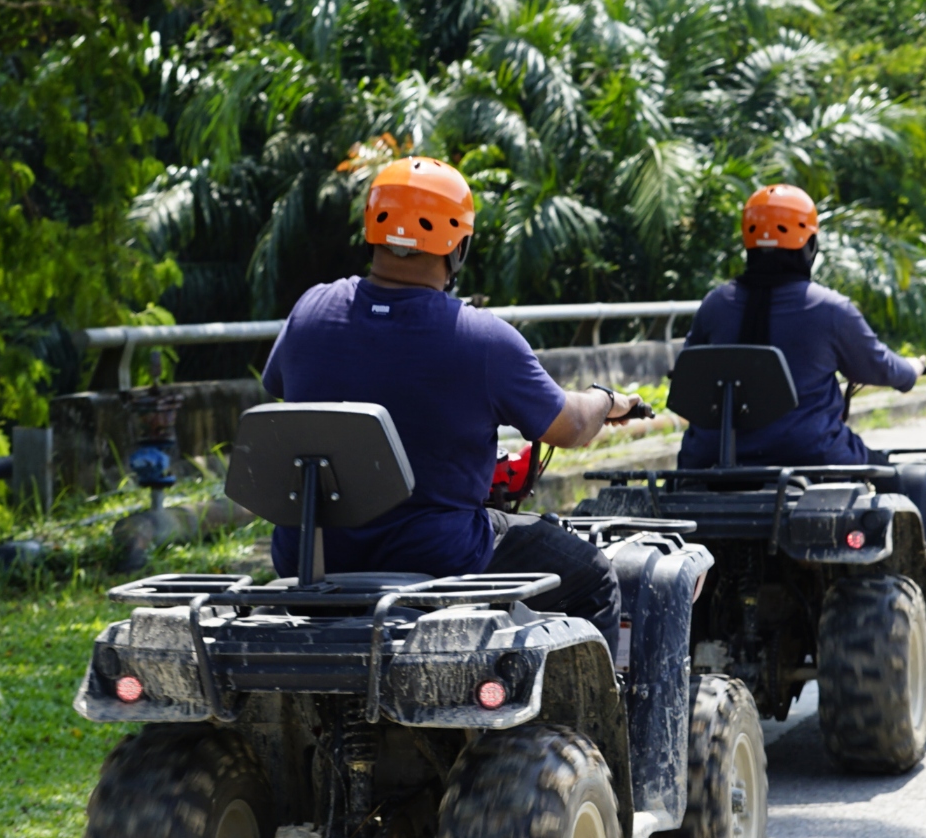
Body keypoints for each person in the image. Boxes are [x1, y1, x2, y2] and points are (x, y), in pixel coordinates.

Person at [258, 156, 641, 640]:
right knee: (592, 575)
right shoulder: (481, 339)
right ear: (458, 247)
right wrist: (606, 399)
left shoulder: (310, 310)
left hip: (310, 558)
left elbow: (283, 387)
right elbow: (571, 426)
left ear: (373, 229)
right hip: (438, 558)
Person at [675, 185, 924, 469]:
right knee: (895, 476)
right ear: (810, 244)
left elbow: (688, 377)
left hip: (710, 459)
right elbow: (880, 366)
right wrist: (912, 369)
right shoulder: (831, 309)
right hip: (809, 455)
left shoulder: (715, 304)